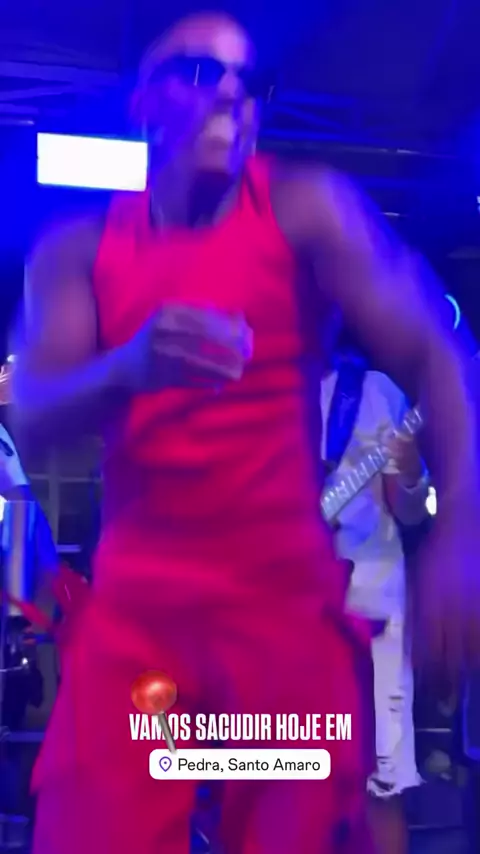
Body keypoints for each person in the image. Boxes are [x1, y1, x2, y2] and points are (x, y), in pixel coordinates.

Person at [12, 12, 480, 854]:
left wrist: (463, 536)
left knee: (304, 829)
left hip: (280, 620)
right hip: (139, 623)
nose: (230, 92)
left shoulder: (307, 209)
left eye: (249, 80)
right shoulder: (78, 248)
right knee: (89, 831)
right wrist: (127, 367)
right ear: (143, 100)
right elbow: (37, 412)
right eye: (199, 72)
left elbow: (435, 352)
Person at [321, 350, 428, 854]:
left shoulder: (376, 392)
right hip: (285, 608)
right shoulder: (257, 390)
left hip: (373, 605)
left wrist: (410, 472)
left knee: (382, 786)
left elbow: (410, 513)